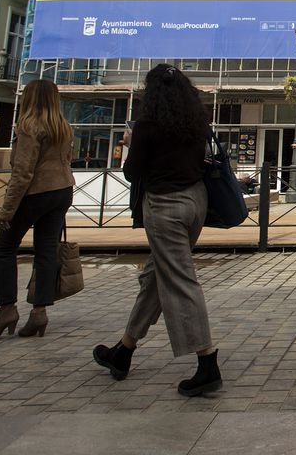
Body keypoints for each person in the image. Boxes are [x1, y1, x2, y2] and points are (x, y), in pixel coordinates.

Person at [92, 64, 222, 397]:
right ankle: (125, 349)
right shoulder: (197, 122)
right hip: (196, 202)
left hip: (164, 206)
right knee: (156, 275)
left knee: (179, 279)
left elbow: (133, 173)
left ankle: (207, 362)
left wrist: (129, 143)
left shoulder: (147, 127)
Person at [0, 79, 75, 340]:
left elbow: (23, 173)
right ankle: (39, 311)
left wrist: (6, 211)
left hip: (35, 193)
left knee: (4, 248)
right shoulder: (63, 128)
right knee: (46, 250)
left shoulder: (29, 127)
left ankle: (7, 309)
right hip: (61, 190)